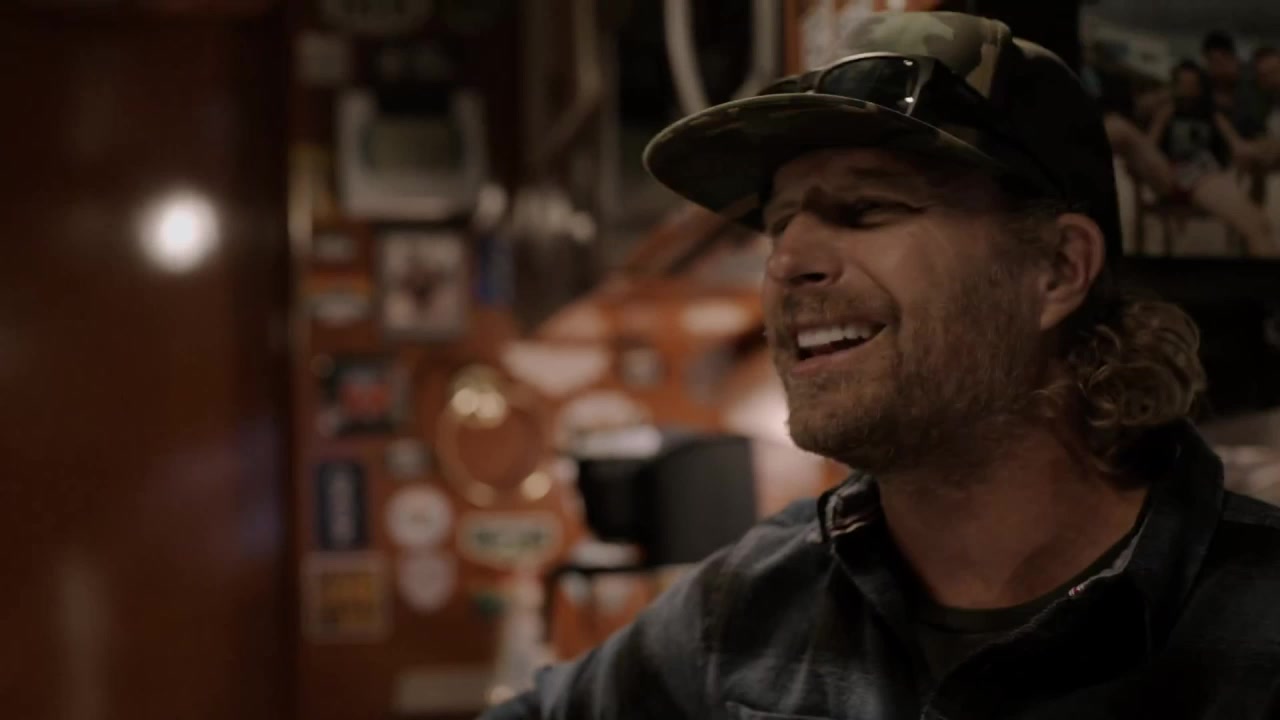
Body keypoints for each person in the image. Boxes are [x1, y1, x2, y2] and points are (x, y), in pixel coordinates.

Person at [482, 12, 1280, 719]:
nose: (785, 262)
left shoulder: (1251, 622)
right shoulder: (751, 606)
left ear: (1057, 269)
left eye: (866, 209)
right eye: (779, 225)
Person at [1146, 61, 1275, 256]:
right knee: (1256, 226)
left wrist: (1262, 149)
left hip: (1205, 173)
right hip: (1178, 175)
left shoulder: (1211, 115)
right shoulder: (1167, 112)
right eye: (1182, 84)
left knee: (1259, 224)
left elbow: (1237, 145)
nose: (1187, 90)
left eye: (1192, 84)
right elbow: (1149, 148)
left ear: (1200, 87)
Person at [1201, 30, 1268, 139]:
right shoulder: (1207, 83)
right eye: (1210, 62)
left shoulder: (1254, 79)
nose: (1215, 69)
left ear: (1232, 58)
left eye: (1219, 62)